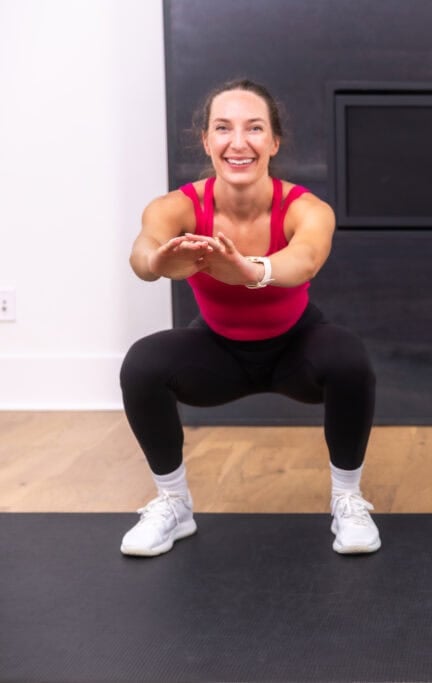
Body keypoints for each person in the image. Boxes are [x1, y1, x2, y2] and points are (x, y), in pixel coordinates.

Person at [119, 79, 380, 557]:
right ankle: (173, 505)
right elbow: (142, 251)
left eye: (254, 128)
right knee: (141, 364)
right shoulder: (176, 207)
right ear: (206, 141)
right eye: (223, 128)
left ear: (274, 142)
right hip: (219, 353)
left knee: (349, 359)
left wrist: (250, 270)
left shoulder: (306, 208)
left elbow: (305, 261)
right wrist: (158, 263)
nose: (238, 143)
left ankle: (347, 498)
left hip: (295, 350)